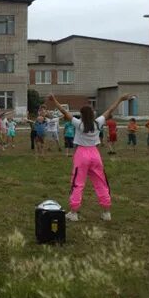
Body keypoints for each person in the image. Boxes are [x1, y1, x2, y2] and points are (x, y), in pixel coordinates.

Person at [49, 93, 133, 222]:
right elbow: (110, 109)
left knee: (78, 183)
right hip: (95, 154)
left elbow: (63, 111)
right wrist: (120, 99)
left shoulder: (79, 124)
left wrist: (54, 100)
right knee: (101, 182)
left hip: (81, 154)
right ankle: (106, 212)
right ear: (92, 114)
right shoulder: (98, 122)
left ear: (82, 115)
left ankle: (74, 212)